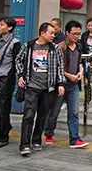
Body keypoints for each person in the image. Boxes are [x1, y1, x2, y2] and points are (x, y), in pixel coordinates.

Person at [16, 23, 66, 156]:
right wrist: (21, 75)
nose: (53, 35)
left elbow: (60, 67)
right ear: (42, 33)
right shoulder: (29, 46)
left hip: (48, 88)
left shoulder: (55, 49)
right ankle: (24, 144)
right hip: (31, 87)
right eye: (51, 33)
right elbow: (18, 60)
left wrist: (61, 83)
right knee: (28, 115)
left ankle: (36, 140)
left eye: (54, 33)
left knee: (42, 116)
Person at [44, 20, 89, 149]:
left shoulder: (79, 46)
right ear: (67, 33)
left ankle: (74, 139)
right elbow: (56, 67)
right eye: (74, 34)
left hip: (74, 85)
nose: (76, 36)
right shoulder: (60, 47)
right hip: (61, 84)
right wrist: (70, 76)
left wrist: (80, 72)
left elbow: (80, 62)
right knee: (54, 111)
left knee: (74, 112)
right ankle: (48, 133)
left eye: (78, 34)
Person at [0, 17, 21, 148]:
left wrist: (16, 78)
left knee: (4, 108)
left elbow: (16, 62)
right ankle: (5, 127)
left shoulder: (15, 43)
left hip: (7, 79)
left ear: (9, 28)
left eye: (1, 25)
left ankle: (3, 137)